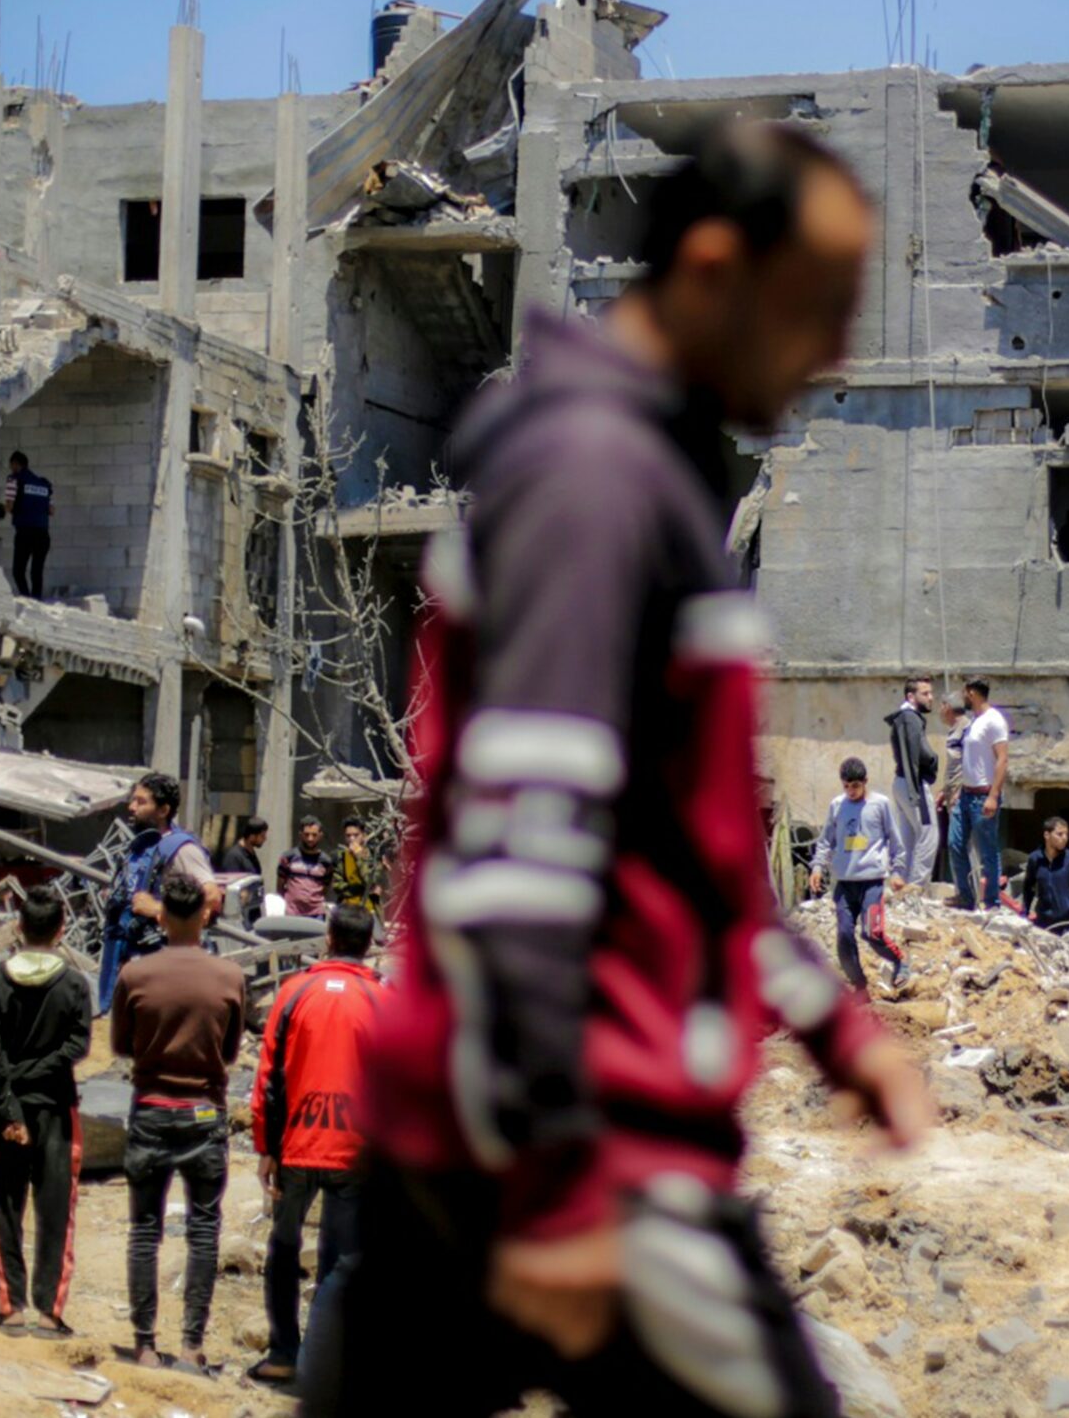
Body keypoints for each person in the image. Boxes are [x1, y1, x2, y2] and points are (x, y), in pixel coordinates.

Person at [318, 120, 928, 1418]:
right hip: (584, 1140)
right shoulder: (599, 478)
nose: (833, 352)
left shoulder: (634, 470)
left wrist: (836, 1030)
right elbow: (522, 845)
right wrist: (557, 1178)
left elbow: (688, 857)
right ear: (712, 267)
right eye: (818, 307)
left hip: (485, 1134)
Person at [112, 870, 247, 1372]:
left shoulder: (134, 974)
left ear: (162, 915)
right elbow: (230, 1051)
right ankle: (192, 1346)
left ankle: (145, 1344)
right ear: (207, 915)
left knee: (145, 1231)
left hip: (151, 1108)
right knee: (204, 1230)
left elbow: (123, 1046)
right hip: (205, 1113)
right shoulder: (230, 977)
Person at [247, 903, 383, 1385]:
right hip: (354, 1151)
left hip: (294, 1148)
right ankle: (321, 1366)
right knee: (341, 1261)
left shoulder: (293, 992)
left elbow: (267, 1077)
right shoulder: (380, 1002)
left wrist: (265, 1145)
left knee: (284, 1248)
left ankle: (285, 1353)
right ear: (368, 945)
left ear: (328, 938)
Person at [0, 885, 92, 1337]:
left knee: (7, 1204)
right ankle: (49, 1310)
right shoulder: (74, 984)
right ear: (61, 929)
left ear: (19, 928)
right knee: (56, 1207)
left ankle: (11, 1308)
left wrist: (9, 1093)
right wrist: (36, 1072)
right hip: (57, 1109)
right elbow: (77, 1045)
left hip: (7, 1110)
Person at [97, 772, 214, 1015]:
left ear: (163, 810)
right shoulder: (141, 846)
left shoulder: (182, 849)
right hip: (129, 961)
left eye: (141, 802)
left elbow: (212, 900)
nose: (131, 807)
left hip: (163, 968)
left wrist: (159, 909)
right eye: (133, 800)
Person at [807, 757, 913, 993]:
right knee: (844, 937)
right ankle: (860, 987)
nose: (850, 791)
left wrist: (897, 872)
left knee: (872, 933)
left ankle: (900, 960)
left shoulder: (880, 805)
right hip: (844, 884)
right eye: (846, 786)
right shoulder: (837, 806)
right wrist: (817, 867)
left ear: (865, 782)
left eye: (855, 786)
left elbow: (896, 842)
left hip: (872, 884)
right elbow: (825, 841)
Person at [945, 679, 1010, 912]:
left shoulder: (994, 721)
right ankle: (965, 894)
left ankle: (992, 901)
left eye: (964, 692)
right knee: (954, 843)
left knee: (988, 851)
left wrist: (993, 795)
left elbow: (1002, 759)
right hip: (965, 794)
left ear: (972, 693)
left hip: (983, 795)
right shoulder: (974, 722)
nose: (962, 696)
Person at [885, 678, 940, 884]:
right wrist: (934, 759)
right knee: (928, 836)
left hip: (902, 782)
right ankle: (916, 888)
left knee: (908, 840)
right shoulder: (911, 719)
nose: (930, 698)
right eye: (925, 693)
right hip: (913, 784)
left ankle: (903, 885)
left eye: (930, 693)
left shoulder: (903, 718)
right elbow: (920, 753)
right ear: (911, 696)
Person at [0, 451, 56, 600]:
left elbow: (9, 506)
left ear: (16, 464)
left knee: (18, 571)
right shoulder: (44, 484)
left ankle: (27, 601)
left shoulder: (14, 480)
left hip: (25, 533)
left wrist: (1, 509)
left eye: (12, 466)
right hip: (43, 535)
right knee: (37, 572)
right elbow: (51, 510)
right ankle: (37, 602)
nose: (11, 469)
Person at [1018, 816, 1069, 934]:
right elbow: (1028, 887)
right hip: (1042, 922)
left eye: (1066, 834)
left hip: (1065, 923)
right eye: (1060, 834)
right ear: (1047, 835)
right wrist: (1025, 912)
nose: (1065, 838)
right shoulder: (1035, 859)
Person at [276, 818, 333, 920]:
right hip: (292, 913)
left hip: (316, 914)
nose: (310, 839)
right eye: (306, 834)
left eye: (314, 835)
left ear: (320, 836)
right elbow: (280, 885)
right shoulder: (288, 857)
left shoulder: (326, 862)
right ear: (300, 834)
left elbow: (325, 887)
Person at [330, 820, 377, 915]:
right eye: (348, 835)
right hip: (347, 909)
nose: (352, 839)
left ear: (364, 835)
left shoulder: (373, 855)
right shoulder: (340, 857)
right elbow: (337, 885)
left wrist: (359, 857)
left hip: (368, 909)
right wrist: (360, 889)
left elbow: (370, 880)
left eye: (356, 835)